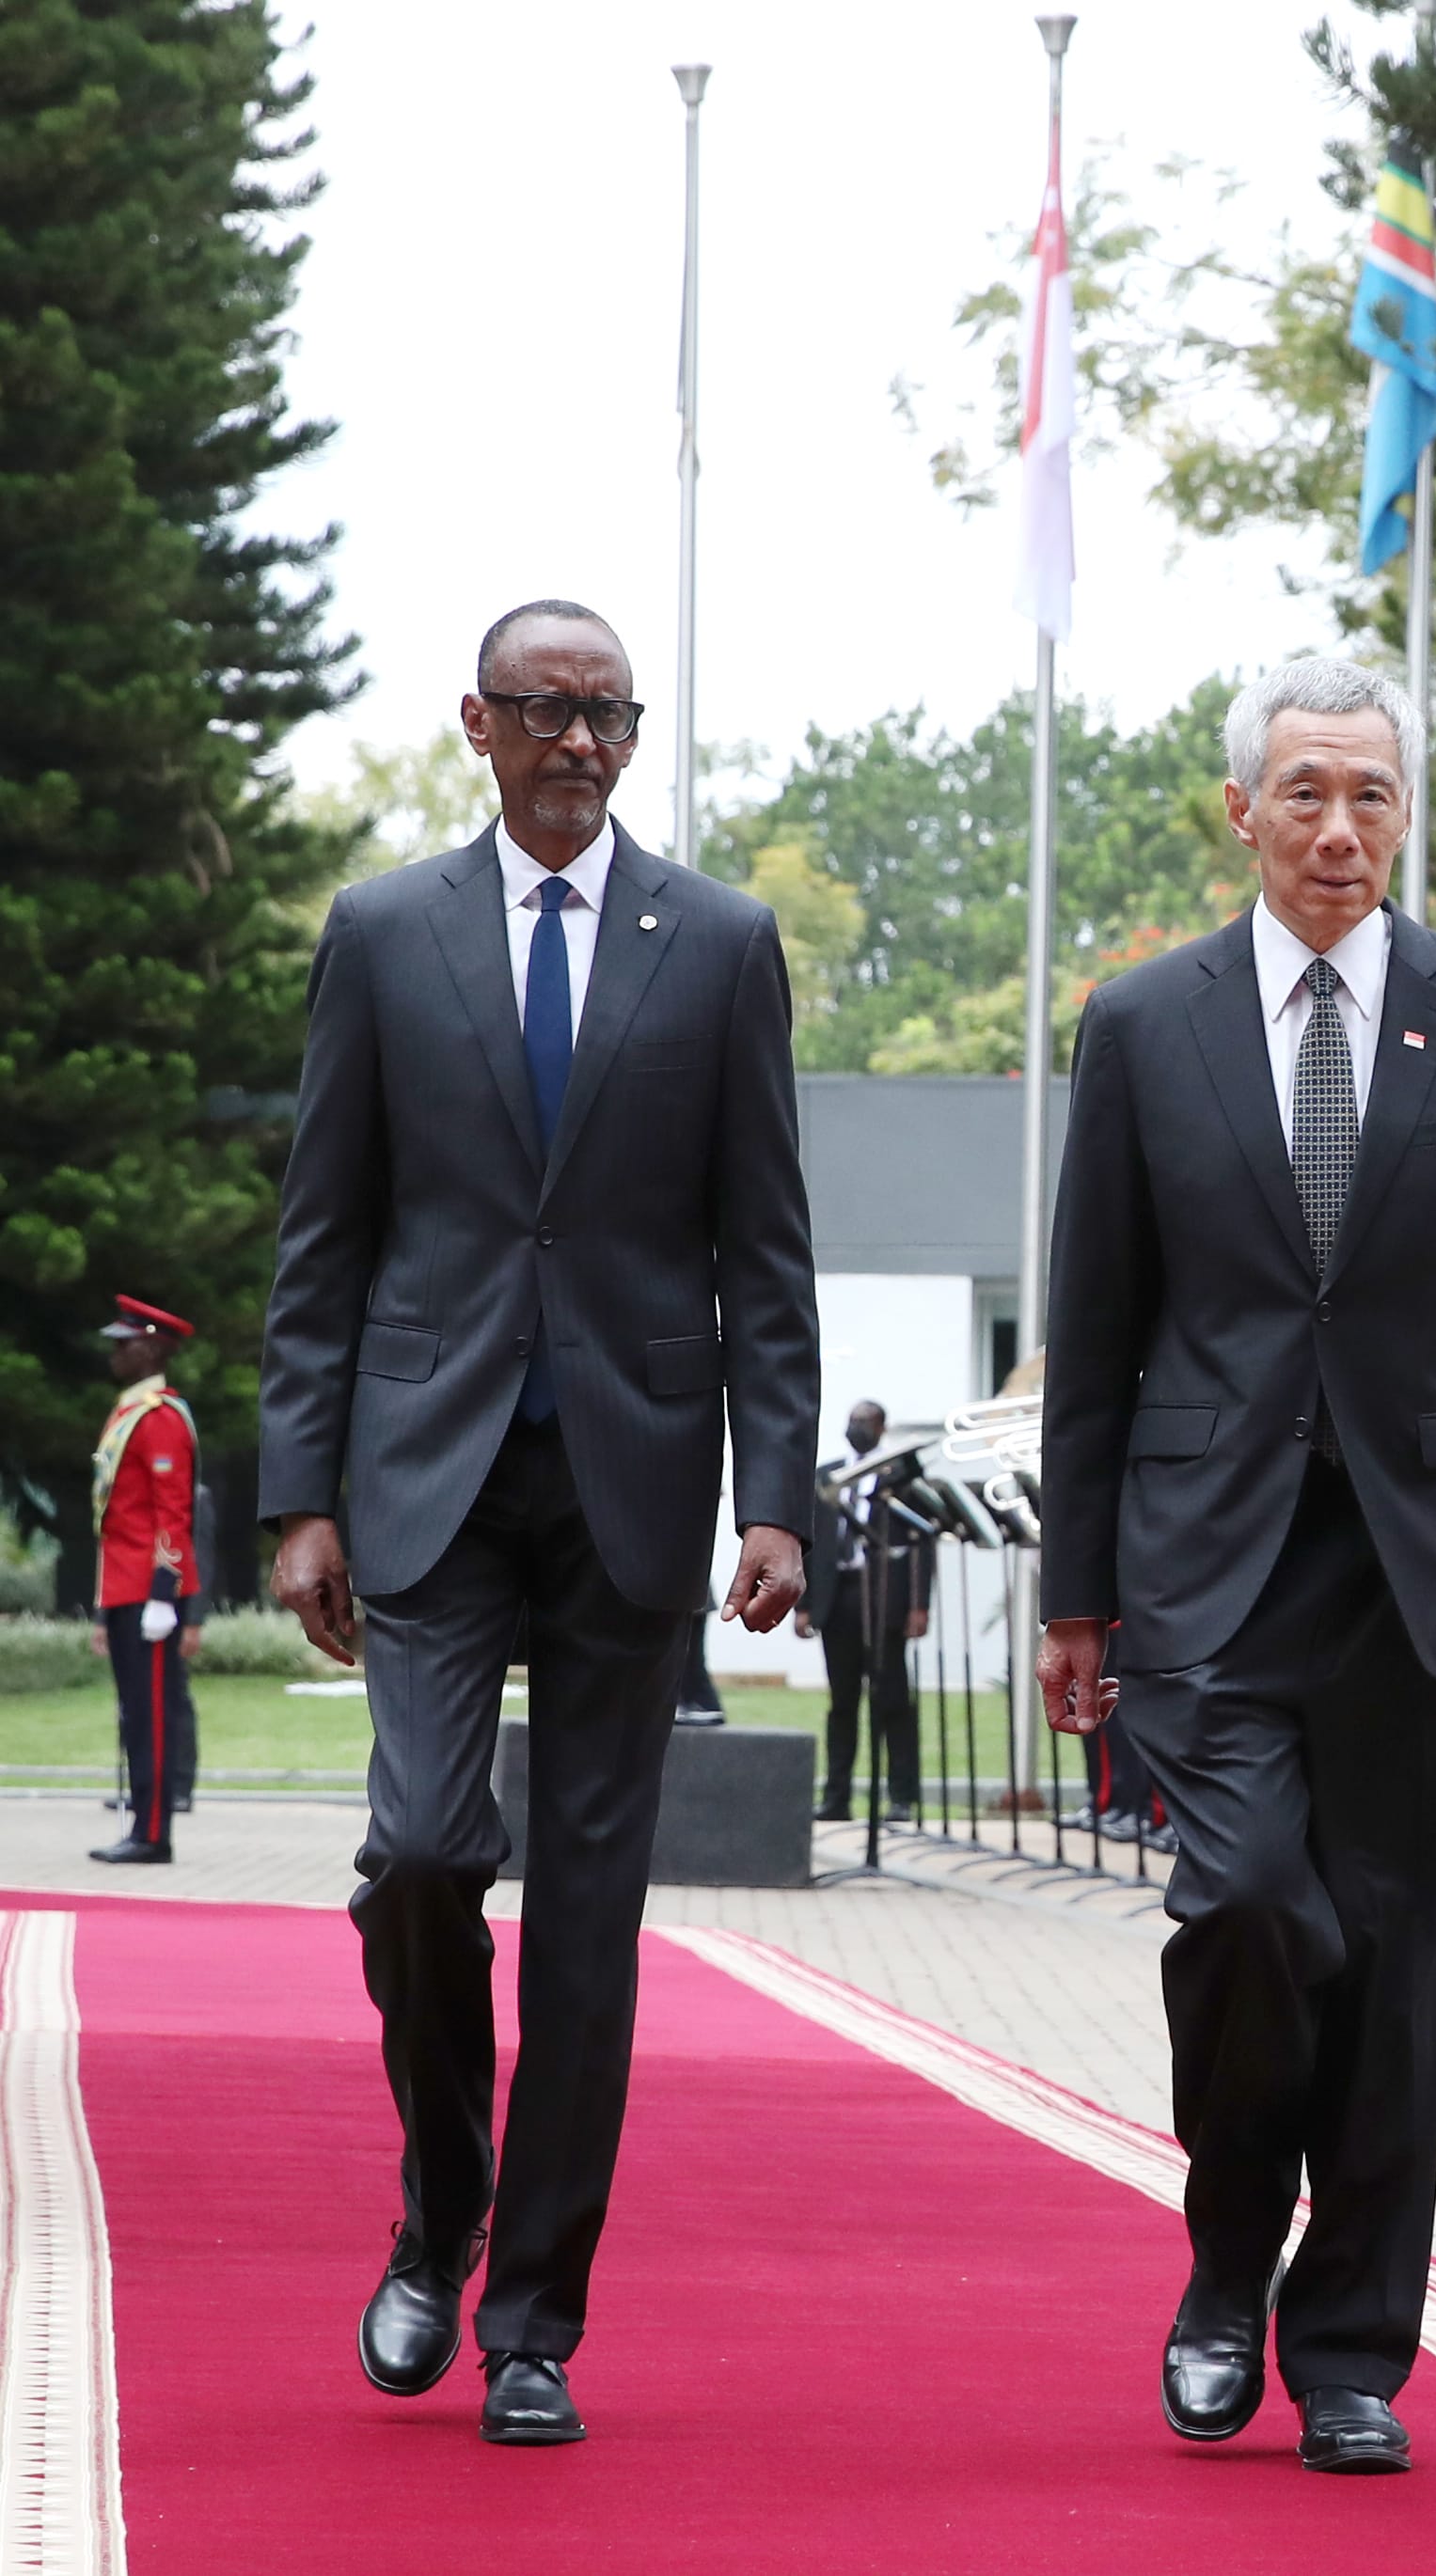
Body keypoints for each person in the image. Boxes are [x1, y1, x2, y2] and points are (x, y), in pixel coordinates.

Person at [260, 598, 819, 2445]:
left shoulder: (723, 945)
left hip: (633, 1489)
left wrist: (779, 1500)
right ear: (476, 724)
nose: (578, 742)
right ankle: (437, 2203)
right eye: (545, 711)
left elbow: (768, 1247)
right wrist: (302, 1488)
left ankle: (530, 2318)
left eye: (607, 714)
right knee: (423, 1853)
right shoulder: (385, 932)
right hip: (428, 1477)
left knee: (590, 1920)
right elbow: (325, 1237)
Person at [1034, 655, 1436, 2471]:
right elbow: (1098, 1322)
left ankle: (1347, 2346)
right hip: (1209, 1568)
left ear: (1400, 812)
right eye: (1304, 794)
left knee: (1396, 1974)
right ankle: (1221, 2266)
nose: (1337, 828)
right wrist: (1072, 1594)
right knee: (1255, 1910)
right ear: (1241, 813)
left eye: (1369, 794)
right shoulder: (1143, 1023)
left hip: (1423, 1575)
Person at [89, 1296, 201, 1865]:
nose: (115, 1351)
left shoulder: (159, 1418)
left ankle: (153, 1833)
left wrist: (165, 1595)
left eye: (124, 1342)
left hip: (148, 1592)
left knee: (152, 1714)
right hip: (125, 1587)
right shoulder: (128, 1412)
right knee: (137, 1712)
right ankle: (142, 1823)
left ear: (153, 1348)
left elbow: (171, 1513)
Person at [799, 1398, 934, 1824]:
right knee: (842, 1704)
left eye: (865, 1421)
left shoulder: (901, 1476)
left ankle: (900, 1796)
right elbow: (810, 1542)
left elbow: (921, 1544)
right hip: (837, 1598)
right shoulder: (827, 1476)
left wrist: (918, 1605)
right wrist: (803, 1604)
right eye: (852, 1420)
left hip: (884, 1600)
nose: (857, 1427)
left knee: (892, 1701)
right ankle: (836, 1797)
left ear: (882, 1427)